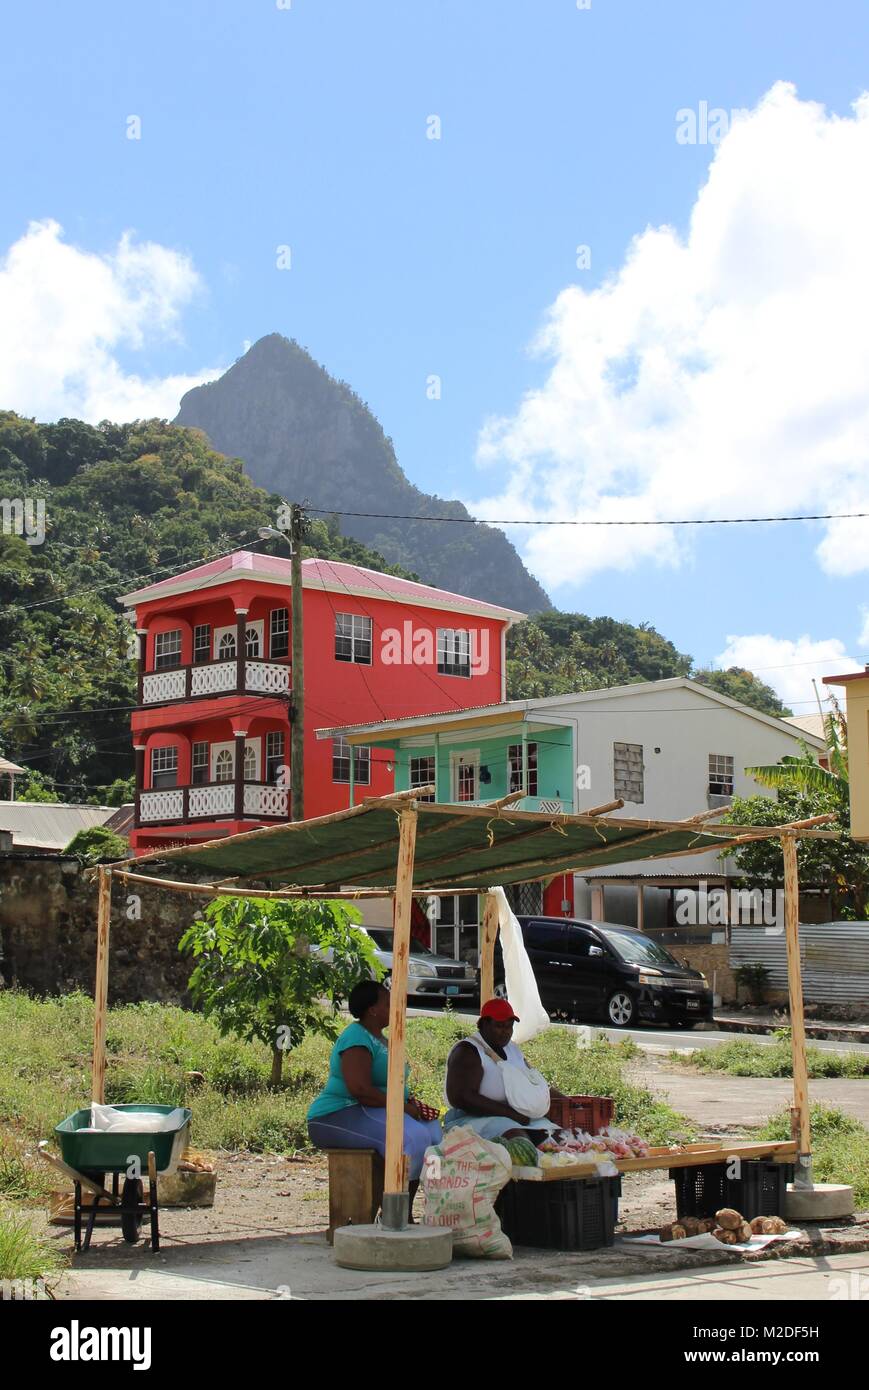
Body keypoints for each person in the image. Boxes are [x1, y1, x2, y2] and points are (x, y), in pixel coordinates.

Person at [307, 980, 442, 1215]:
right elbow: (359, 1089)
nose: (394, 1007)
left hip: (371, 1110)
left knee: (433, 1133)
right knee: (412, 1138)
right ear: (372, 1009)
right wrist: (401, 1107)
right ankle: (396, 1214)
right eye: (388, 1003)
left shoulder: (382, 1039)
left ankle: (416, 1207)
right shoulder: (356, 1037)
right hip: (338, 1114)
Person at [443, 998, 565, 1144]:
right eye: (500, 1026)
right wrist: (510, 1114)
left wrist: (566, 1100)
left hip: (516, 1116)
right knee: (518, 1142)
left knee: (557, 1138)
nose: (506, 1032)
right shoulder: (467, 1051)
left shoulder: (512, 1048)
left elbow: (528, 1080)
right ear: (484, 1024)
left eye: (509, 1026)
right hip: (473, 1118)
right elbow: (461, 1097)